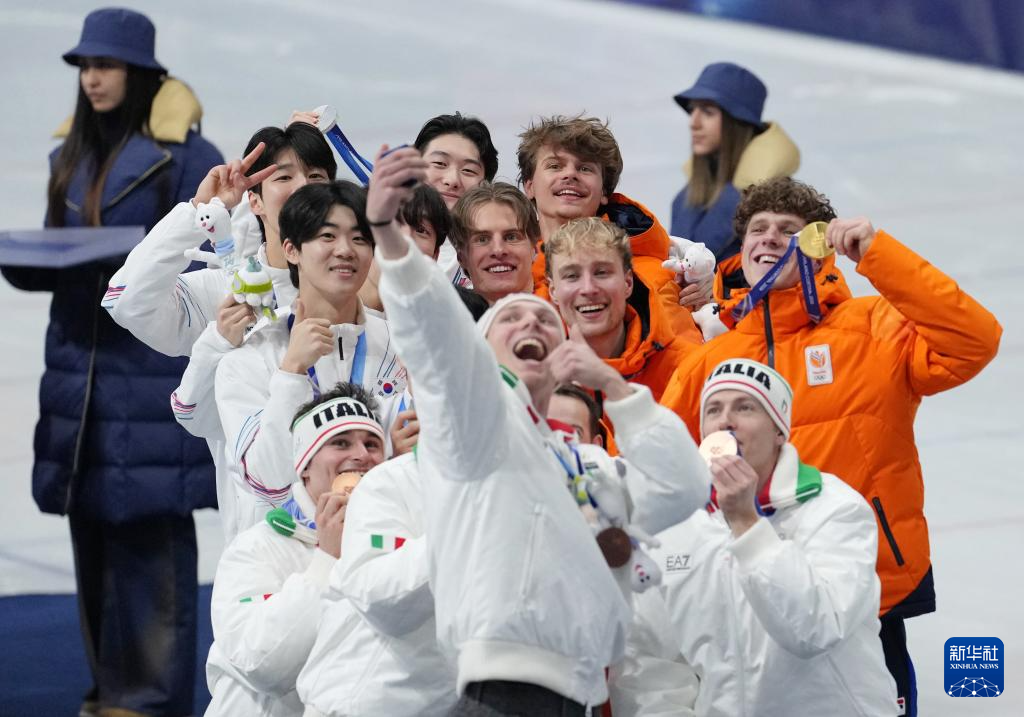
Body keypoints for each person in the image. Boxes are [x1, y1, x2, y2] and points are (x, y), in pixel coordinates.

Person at [367, 145, 709, 715]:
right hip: (501, 691)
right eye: (511, 320)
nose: (530, 319)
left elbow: (682, 488)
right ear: (482, 354)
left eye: (543, 319)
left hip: (579, 694)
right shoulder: (475, 430)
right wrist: (391, 241)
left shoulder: (586, 464)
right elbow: (436, 338)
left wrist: (617, 388)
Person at [660, 176, 1002, 716]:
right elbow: (664, 474)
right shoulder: (710, 360)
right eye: (757, 228)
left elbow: (974, 341)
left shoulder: (873, 328)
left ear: (819, 248)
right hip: (746, 597)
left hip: (868, 587)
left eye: (788, 229)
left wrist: (880, 257)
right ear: (740, 251)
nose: (769, 237)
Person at [0, 8, 222, 717]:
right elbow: (57, 249)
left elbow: (208, 263)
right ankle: (108, 695)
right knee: (92, 544)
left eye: (106, 65)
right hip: (80, 378)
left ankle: (149, 703)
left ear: (141, 73)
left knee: (151, 549)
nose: (92, 78)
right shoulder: (68, 158)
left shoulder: (188, 157)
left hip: (146, 373)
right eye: (85, 67)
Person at [617, 359, 898, 715]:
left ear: (779, 430)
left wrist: (746, 523)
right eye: (713, 410)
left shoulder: (834, 507)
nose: (726, 421)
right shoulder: (675, 526)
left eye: (745, 407)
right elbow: (651, 666)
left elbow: (816, 628)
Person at [107, 123, 338, 538]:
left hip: (356, 535)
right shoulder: (225, 292)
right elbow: (127, 301)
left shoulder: (361, 291)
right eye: (284, 177)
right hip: (261, 543)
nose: (303, 189)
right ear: (255, 201)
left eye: (316, 177)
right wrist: (199, 210)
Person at [215, 180, 407, 511]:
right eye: (327, 236)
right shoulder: (249, 359)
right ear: (291, 249)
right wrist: (291, 373)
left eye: (359, 238)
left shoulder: (402, 349)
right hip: (285, 540)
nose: (345, 250)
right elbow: (268, 481)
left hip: (383, 533)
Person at [205, 382, 385, 716]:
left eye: (372, 444)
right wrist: (327, 560)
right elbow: (262, 665)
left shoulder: (394, 547)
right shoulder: (256, 548)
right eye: (341, 442)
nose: (362, 455)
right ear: (304, 468)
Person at [517, 115, 703, 342]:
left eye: (585, 168)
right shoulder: (506, 270)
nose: (570, 174)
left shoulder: (652, 278)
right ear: (529, 186)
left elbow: (681, 357)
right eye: (555, 166)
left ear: (604, 191)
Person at [669, 62, 800, 298]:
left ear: (736, 123)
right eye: (693, 110)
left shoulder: (778, 204)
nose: (693, 122)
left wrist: (718, 294)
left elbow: (786, 291)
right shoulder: (686, 197)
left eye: (708, 112)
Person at [546, 217, 688, 403]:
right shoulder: (533, 375)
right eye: (572, 276)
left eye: (601, 273)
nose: (588, 289)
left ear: (628, 283)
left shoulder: (685, 369)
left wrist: (609, 382)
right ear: (553, 291)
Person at [414, 111, 499, 287]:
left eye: (468, 170)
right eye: (440, 163)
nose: (452, 180)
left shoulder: (498, 252)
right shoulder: (379, 235)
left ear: (485, 184)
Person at [448, 181, 540, 305]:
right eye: (482, 239)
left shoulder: (564, 312)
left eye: (511, 237)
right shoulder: (441, 317)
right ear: (461, 257)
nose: (498, 250)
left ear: (534, 249)